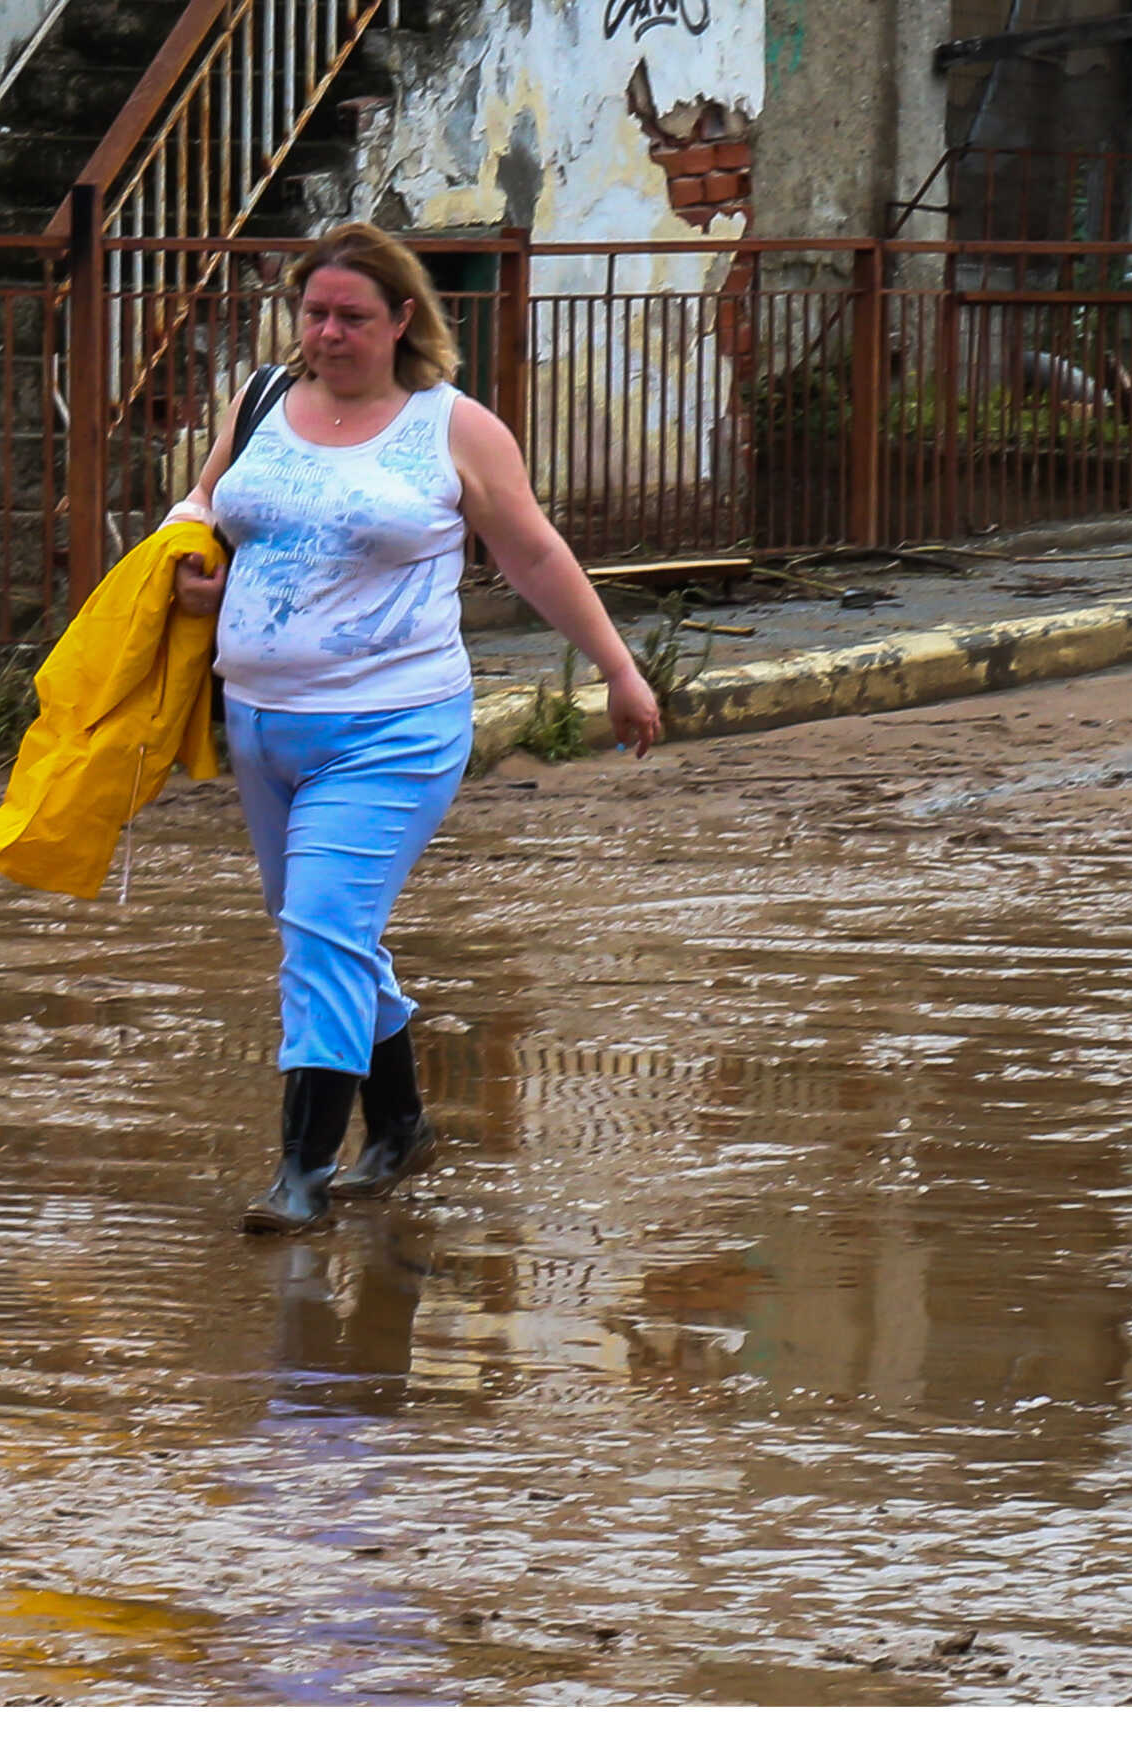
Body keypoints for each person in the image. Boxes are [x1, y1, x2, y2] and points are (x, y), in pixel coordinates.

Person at [161, 221, 664, 1236]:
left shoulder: (452, 427)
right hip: (260, 724)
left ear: (402, 320)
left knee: (319, 932)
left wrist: (616, 669)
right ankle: (399, 1124)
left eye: (352, 316)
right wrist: (183, 555)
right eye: (314, 313)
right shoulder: (261, 401)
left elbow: (531, 556)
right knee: (324, 929)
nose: (329, 334)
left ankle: (301, 1170)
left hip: (391, 728)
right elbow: (204, 503)